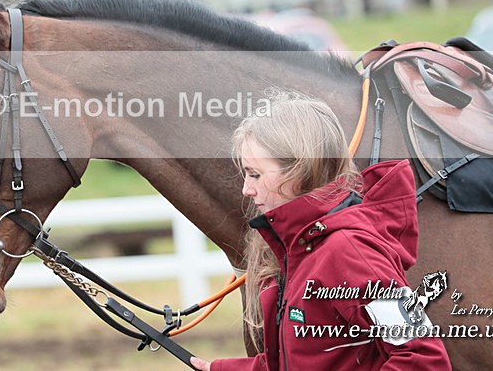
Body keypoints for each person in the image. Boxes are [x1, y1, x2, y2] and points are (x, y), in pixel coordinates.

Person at [191, 89, 450, 370]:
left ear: (300, 170)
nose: (246, 189)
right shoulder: (302, 249)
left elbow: (424, 358)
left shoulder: (348, 252)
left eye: (256, 174)